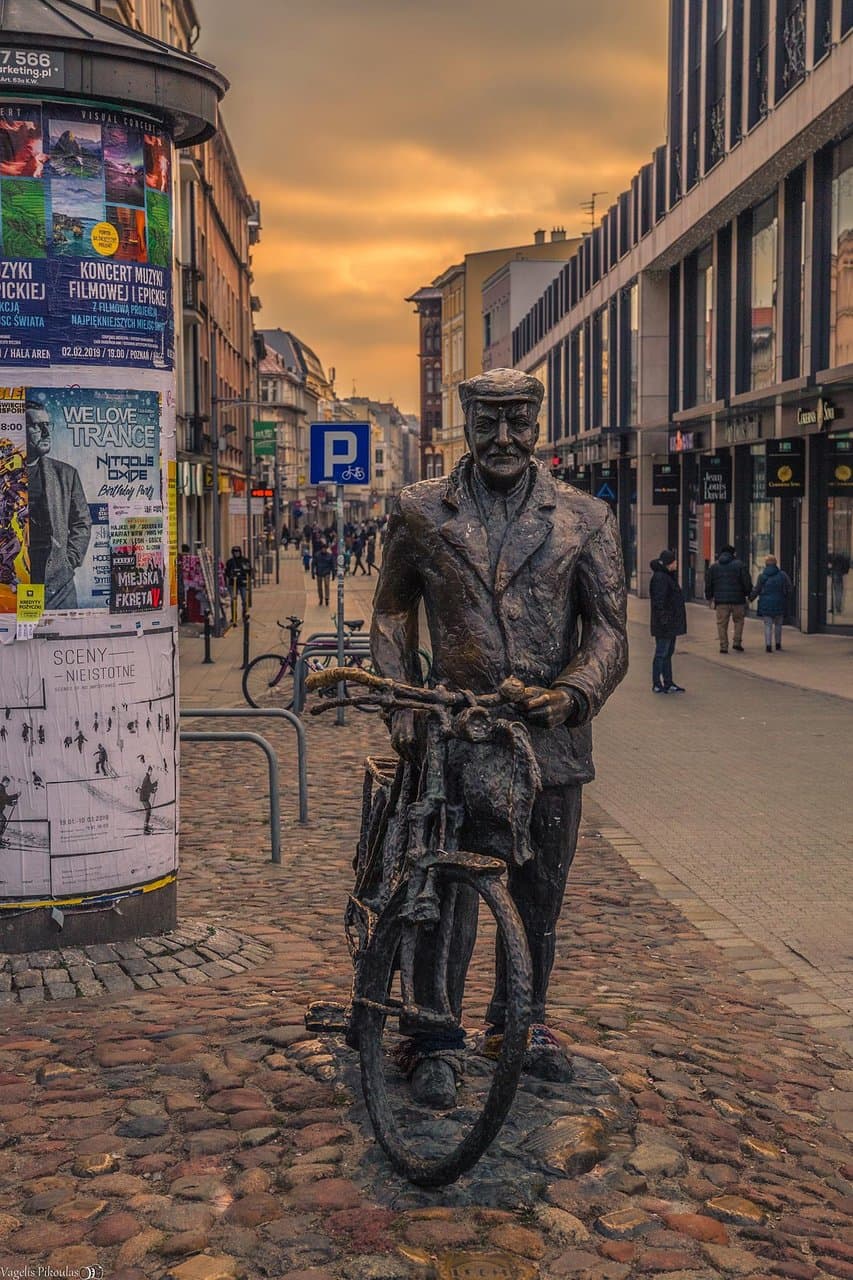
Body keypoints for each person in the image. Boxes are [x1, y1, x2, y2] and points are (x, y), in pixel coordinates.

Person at [372, 367, 628, 1107]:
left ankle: (522, 1019)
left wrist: (573, 693)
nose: (504, 437)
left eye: (518, 420)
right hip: (454, 732)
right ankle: (434, 1033)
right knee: (443, 893)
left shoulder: (584, 518)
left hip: (548, 742)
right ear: (467, 423)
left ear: (538, 424)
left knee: (539, 895)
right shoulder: (420, 510)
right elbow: (391, 616)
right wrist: (401, 701)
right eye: (489, 421)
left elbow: (609, 632)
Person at [25, 399, 92, 610]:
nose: (46, 432)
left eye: (48, 424)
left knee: (63, 638)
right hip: (17, 580)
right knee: (20, 639)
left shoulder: (66, 474)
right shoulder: (6, 474)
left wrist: (68, 560)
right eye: (36, 425)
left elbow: (82, 522)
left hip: (58, 583)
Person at [649, 550, 687, 693]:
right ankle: (657, 683)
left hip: (669, 623)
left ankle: (668, 682)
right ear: (669, 563)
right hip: (664, 624)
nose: (676, 563)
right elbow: (659, 602)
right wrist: (664, 619)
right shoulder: (661, 578)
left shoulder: (667, 576)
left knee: (667, 653)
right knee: (661, 653)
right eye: (674, 561)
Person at [705, 544, 752, 653]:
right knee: (739, 621)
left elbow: (709, 584)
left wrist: (709, 597)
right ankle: (737, 642)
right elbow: (747, 582)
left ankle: (723, 646)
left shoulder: (714, 567)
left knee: (721, 624)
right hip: (738, 600)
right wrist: (747, 594)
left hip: (721, 601)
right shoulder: (740, 565)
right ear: (733, 553)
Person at [750, 555, 792, 652]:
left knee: (768, 624)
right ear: (776, 563)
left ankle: (768, 646)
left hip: (766, 603)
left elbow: (757, 589)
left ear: (766, 564)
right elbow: (789, 588)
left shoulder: (762, 576)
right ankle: (778, 644)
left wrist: (751, 598)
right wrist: (786, 597)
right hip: (779, 602)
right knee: (778, 624)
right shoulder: (783, 575)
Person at [225, 545, 251, 615]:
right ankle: (234, 616)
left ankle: (244, 614)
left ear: (240, 552)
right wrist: (231, 576)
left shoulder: (244, 561)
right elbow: (227, 572)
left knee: (244, 599)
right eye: (234, 552)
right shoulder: (230, 562)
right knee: (233, 600)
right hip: (233, 583)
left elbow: (248, 571)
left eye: (237, 552)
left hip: (242, 583)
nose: (236, 553)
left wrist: (244, 576)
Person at [828, 551, 850, 616]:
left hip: (836, 574)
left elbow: (830, 565)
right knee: (838, 591)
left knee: (836, 591)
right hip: (839, 574)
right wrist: (843, 572)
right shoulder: (842, 556)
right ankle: (837, 608)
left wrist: (829, 572)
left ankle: (834, 608)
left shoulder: (833, 556)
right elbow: (846, 567)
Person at [313, 540, 334, 607]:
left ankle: (327, 598)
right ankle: (321, 598)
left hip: (326, 572)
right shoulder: (317, 555)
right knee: (319, 586)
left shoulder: (329, 556)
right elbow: (313, 564)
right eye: (323, 548)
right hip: (319, 572)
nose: (324, 550)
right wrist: (312, 573)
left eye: (325, 548)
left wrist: (333, 573)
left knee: (326, 584)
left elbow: (332, 565)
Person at [0, 776, 19, 848]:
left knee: (2, 820)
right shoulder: (1, 788)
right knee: (2, 820)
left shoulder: (2, 789)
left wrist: (12, 803)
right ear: (4, 782)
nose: (8, 785)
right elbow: (5, 798)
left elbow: (5, 800)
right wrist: (16, 795)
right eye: (7, 783)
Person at [138, 766, 158, 834]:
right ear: (148, 771)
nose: (151, 772)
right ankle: (145, 829)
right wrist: (154, 785)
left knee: (149, 811)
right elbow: (148, 788)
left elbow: (149, 787)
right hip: (144, 798)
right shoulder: (146, 778)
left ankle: (147, 825)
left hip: (145, 797)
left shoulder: (147, 778)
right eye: (150, 771)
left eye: (151, 771)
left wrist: (153, 790)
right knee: (148, 811)